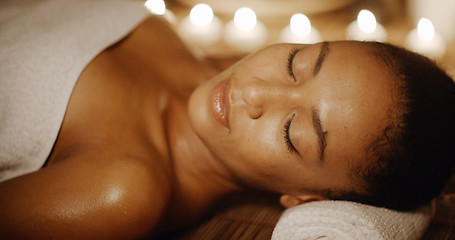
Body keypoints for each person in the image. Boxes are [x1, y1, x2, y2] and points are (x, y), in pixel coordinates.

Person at [1, 1, 454, 239]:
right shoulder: (182, 48)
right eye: (296, 62)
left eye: (290, 134)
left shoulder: (120, 193)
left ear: (307, 197)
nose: (253, 92)